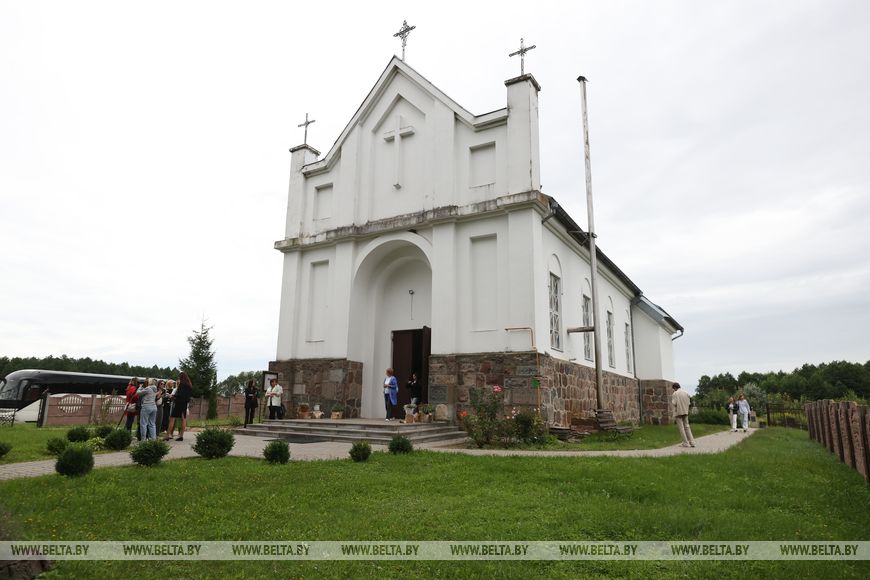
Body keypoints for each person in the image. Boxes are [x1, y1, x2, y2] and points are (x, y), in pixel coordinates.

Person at [166, 372, 193, 441]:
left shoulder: (182, 385)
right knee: (184, 419)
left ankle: (167, 435)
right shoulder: (189, 385)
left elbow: (179, 395)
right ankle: (181, 436)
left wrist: (172, 396)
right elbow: (188, 396)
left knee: (172, 418)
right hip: (185, 404)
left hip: (179, 404)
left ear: (181, 377)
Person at [671, 382, 695, 448]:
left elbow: (674, 403)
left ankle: (685, 442)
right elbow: (689, 403)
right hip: (685, 411)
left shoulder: (675, 393)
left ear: (675, 388)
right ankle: (692, 442)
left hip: (678, 412)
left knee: (681, 428)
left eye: (673, 388)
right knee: (687, 427)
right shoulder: (686, 393)